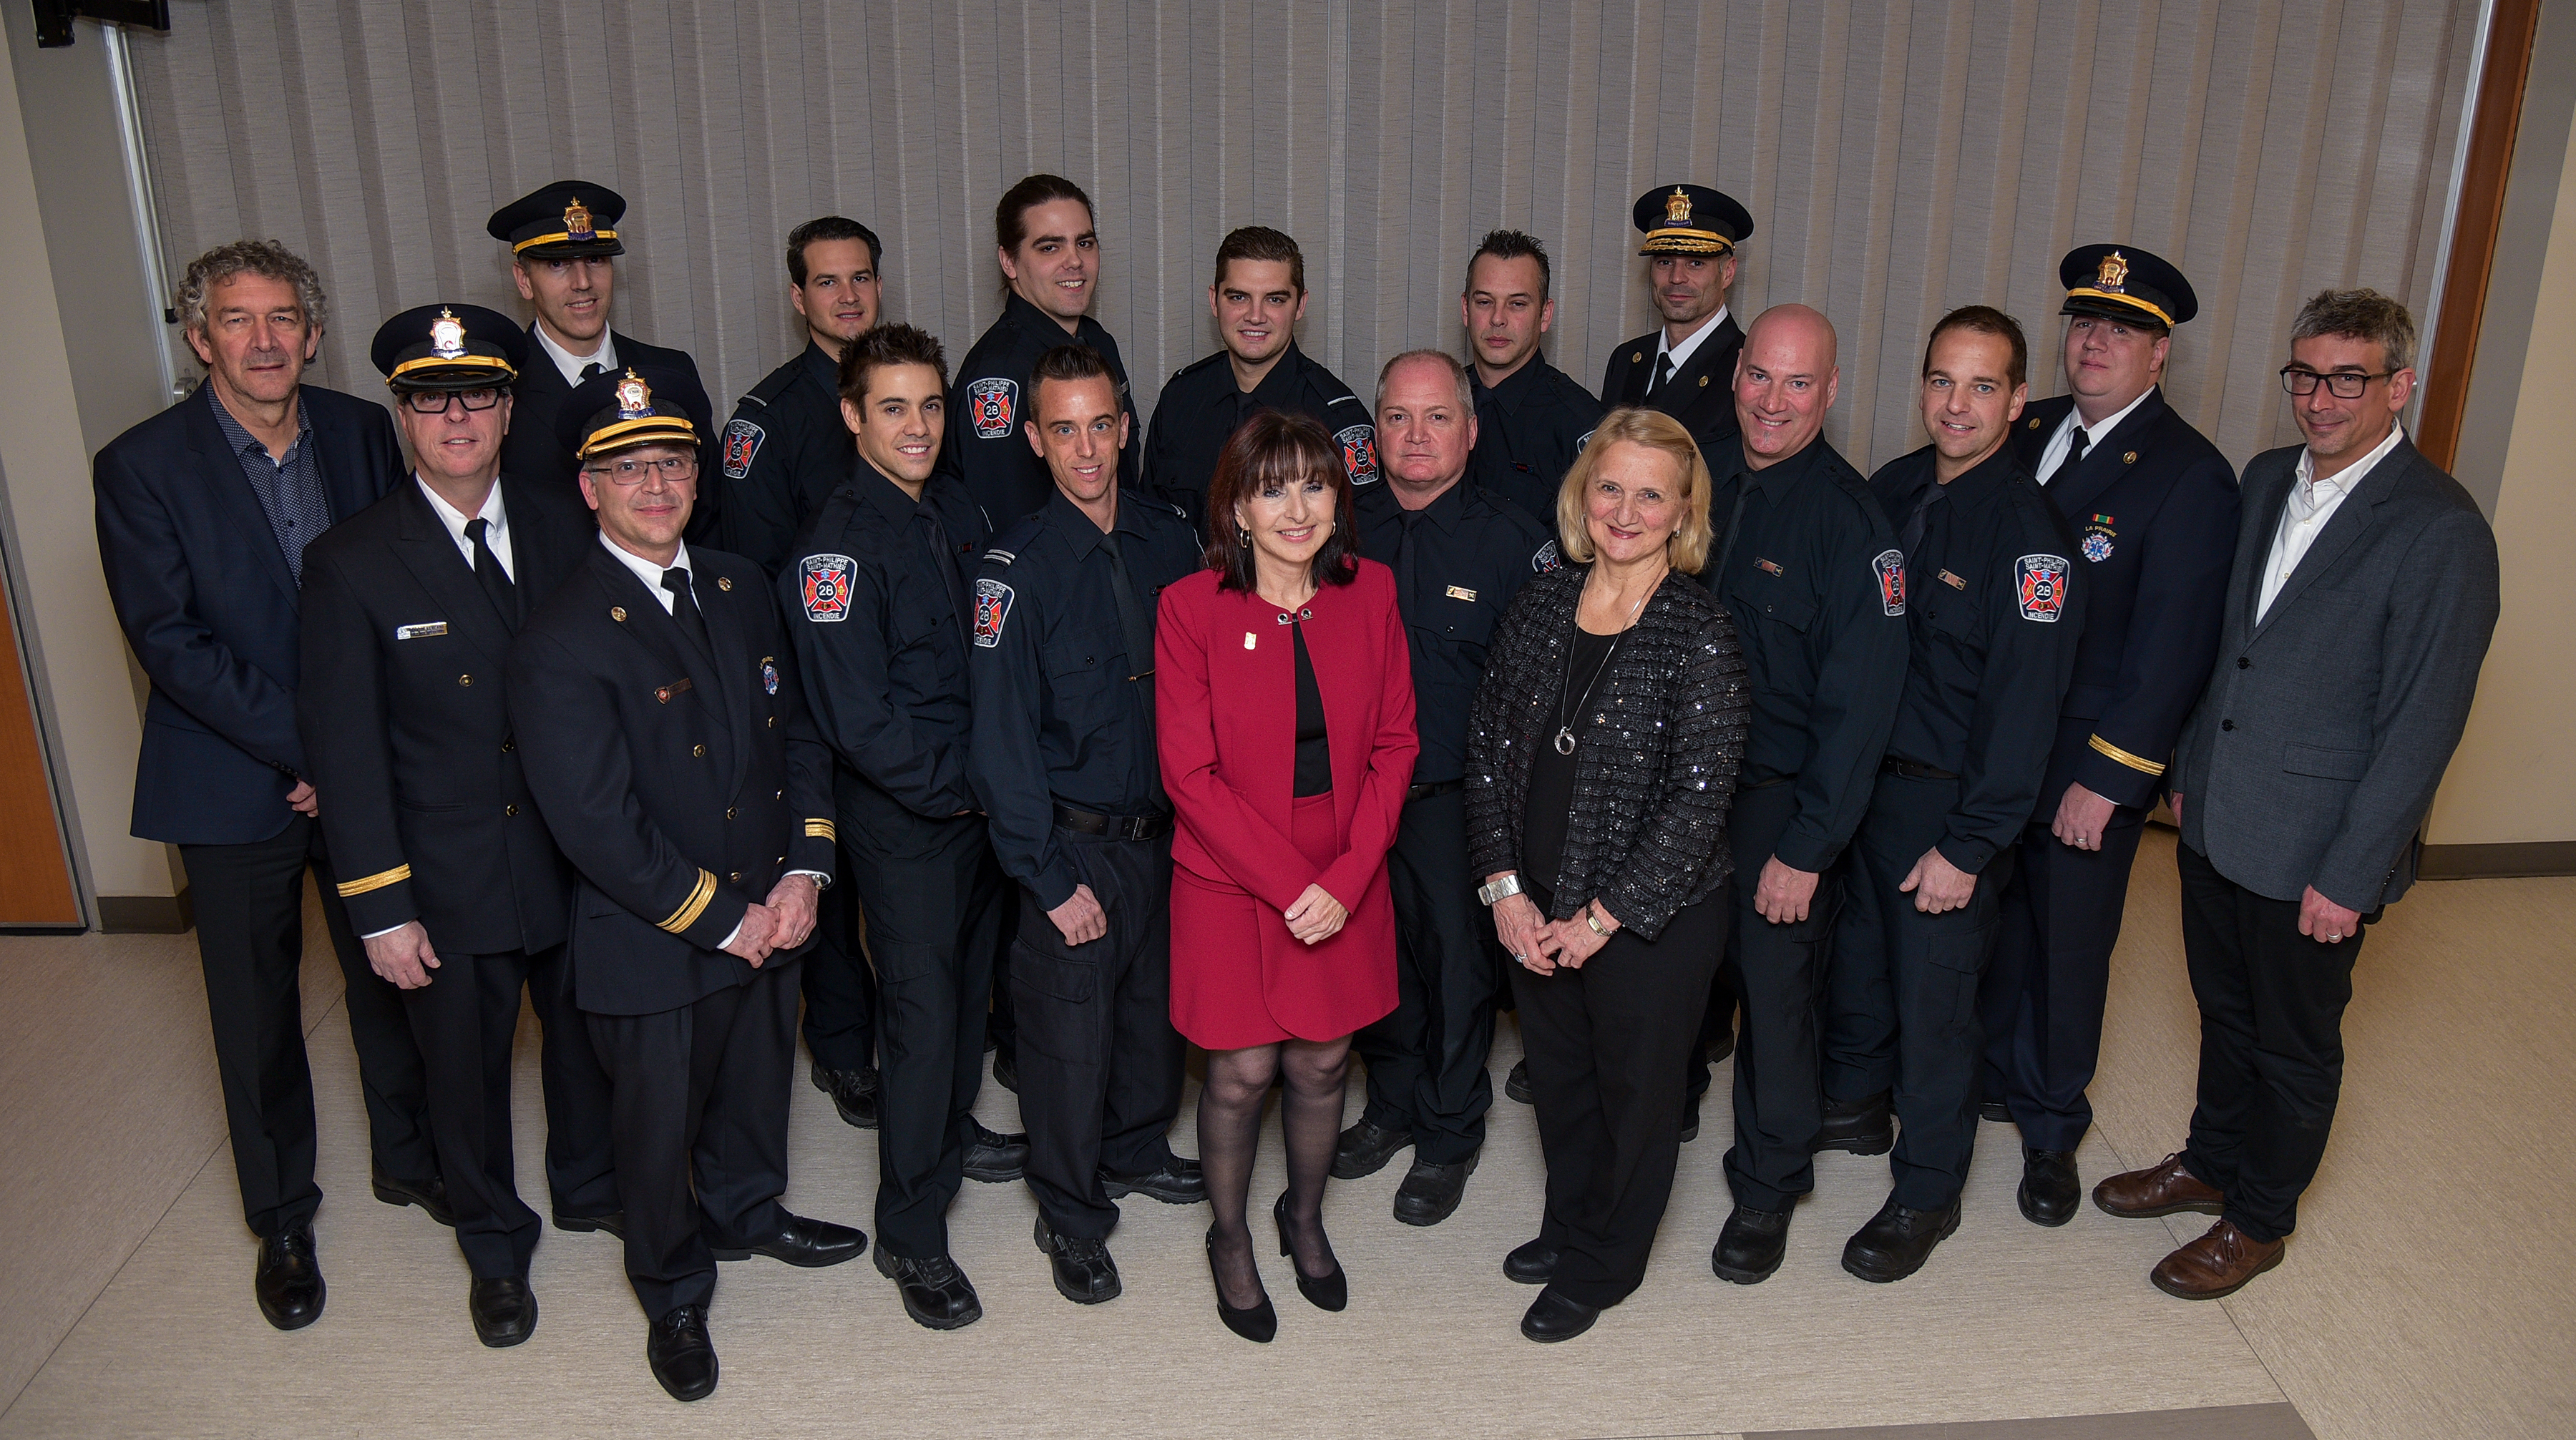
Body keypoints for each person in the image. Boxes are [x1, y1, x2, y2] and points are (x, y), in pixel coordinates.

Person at [2097, 290, 2498, 1301]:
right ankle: (2209, 1161)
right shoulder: (2270, 478)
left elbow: (2422, 722)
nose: (2320, 399)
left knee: (2295, 1042)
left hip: (2318, 847)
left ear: (2398, 386)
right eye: (2306, 375)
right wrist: (2188, 774)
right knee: (2223, 1013)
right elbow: (2230, 648)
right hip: (2220, 814)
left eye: (2348, 378)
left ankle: (2260, 1217)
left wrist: (2352, 873)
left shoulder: (2439, 529)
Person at [92, 240, 437, 1333]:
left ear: (314, 331)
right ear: (200, 340)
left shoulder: (361, 431)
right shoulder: (140, 465)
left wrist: (353, 751)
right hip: (233, 769)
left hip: (365, 764)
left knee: (396, 975)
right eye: (237, 321)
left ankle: (411, 1159)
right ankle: (282, 1215)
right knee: (255, 1008)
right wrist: (310, 749)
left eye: (283, 316)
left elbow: (406, 583)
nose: (264, 338)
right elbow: (170, 641)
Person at [507, 373, 863, 1402]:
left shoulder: (740, 583)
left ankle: (751, 1209)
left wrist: (805, 869)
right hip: (656, 932)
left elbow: (795, 731)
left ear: (696, 476)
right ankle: (669, 1284)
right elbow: (593, 822)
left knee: (756, 1086)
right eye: (627, 467)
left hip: (771, 905)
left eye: (670, 462)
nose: (654, 483)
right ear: (589, 489)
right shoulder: (561, 633)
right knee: (656, 1128)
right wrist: (723, 918)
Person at [295, 304, 618, 1348]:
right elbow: (345, 753)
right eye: (431, 398)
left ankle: (591, 1186)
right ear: (402, 413)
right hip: (448, 871)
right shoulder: (350, 561)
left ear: (510, 405)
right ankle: (492, 1244)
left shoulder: (571, 520)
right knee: (465, 1078)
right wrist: (381, 910)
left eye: (477, 393)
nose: (457, 417)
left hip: (572, 853)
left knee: (586, 1046)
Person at [1465, 405, 1748, 1343]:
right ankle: (1570, 1220)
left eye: (1650, 493)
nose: (1626, 509)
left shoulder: (1699, 631)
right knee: (1562, 1080)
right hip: (1534, 905)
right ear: (1584, 496)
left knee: (1635, 1095)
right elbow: (1491, 752)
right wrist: (1505, 890)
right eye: (1611, 485)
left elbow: (1697, 804)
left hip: (1646, 922)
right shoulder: (1543, 602)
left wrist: (1601, 917)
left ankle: (1605, 1262)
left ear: (1682, 511)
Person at [1976, 246, 2239, 1227]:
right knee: (1992, 921)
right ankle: (1991, 1078)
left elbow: (2173, 651)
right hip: (1997, 737)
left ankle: (2051, 1123)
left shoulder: (2189, 477)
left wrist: (2112, 777)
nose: (2095, 341)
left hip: (2085, 756)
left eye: (2121, 329)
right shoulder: (2030, 426)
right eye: (2085, 322)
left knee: (2068, 943)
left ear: (2160, 353)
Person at [781, 323, 1028, 1332]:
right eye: (894, 407)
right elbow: (860, 723)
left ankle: (950, 1129)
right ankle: (912, 1231)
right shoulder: (834, 551)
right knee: (921, 1022)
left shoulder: (958, 507)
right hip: (910, 821)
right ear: (852, 415)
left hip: (976, 808)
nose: (919, 425)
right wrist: (969, 789)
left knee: (970, 995)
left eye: (930, 405)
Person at [1830, 308, 2084, 1284]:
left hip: (1948, 812)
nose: (1958, 404)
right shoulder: (1893, 489)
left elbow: (2028, 709)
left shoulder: (2030, 539)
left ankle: (1928, 1190)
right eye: (1943, 380)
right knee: (1857, 971)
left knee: (1936, 1009)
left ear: (2019, 402)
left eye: (1984, 387)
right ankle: (1852, 1108)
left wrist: (1972, 845)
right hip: (1868, 793)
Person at [1157, 410, 1417, 1343]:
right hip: (1233, 873)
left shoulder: (1372, 592)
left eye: (1314, 483)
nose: (1297, 506)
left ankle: (1301, 1217)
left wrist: (1345, 880)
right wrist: (1287, 884)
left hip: (1345, 860)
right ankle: (1229, 1238)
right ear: (1236, 508)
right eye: (1272, 488)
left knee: (1320, 1060)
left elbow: (1397, 743)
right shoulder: (1190, 609)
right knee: (1239, 1072)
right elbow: (1190, 775)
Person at [967, 345, 1209, 1307]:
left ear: (1124, 427)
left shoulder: (1170, 540)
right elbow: (999, 742)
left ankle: (1138, 1147)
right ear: (1035, 438)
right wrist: (1046, 876)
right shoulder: (1013, 569)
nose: (1086, 448)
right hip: (1072, 846)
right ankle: (1069, 1210)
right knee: (1069, 1044)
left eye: (1100, 425)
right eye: (1062, 429)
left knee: (1151, 1021)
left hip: (1168, 838)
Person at [1694, 305, 1906, 1291]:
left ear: (1829, 392)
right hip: (1679, 791)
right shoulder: (1695, 477)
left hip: (1778, 804)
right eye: (1759, 378)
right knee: (1663, 982)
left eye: (1797, 383)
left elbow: (1859, 713)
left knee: (1776, 1005)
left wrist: (1809, 848)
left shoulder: (1852, 526)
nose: (1771, 402)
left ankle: (1770, 1182)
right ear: (1736, 377)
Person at [1336, 351, 1552, 1225]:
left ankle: (1451, 1130)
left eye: (1435, 417)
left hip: (1459, 804)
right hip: (1355, 802)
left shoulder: (1515, 543)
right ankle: (1392, 1104)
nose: (1415, 436)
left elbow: (1541, 698)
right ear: (1373, 433)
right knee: (1374, 968)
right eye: (1397, 417)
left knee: (1459, 975)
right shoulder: (1338, 531)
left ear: (1469, 429)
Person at [716, 215, 889, 1135]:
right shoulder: (767, 419)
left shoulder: (903, 396)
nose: (849, 297)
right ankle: (843, 1047)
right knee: (821, 872)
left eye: (861, 278)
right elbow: (749, 577)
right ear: (798, 297)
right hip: (807, 689)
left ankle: (900, 1030)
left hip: (891, 687)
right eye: (828, 282)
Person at [485, 181, 716, 534]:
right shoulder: (498, 391)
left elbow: (710, 511)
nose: (582, 282)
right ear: (524, 280)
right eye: (558, 263)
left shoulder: (669, 372)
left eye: (595, 260)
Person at [1141, 225, 1375, 529]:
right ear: (1214, 301)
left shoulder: (1337, 421)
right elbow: (1149, 526)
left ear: (1300, 305)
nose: (1255, 315)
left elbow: (1355, 549)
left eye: (1275, 300)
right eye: (1238, 297)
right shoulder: (1180, 399)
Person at [945, 173, 1143, 529]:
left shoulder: (1098, 343)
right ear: (1009, 262)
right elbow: (1009, 522)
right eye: (1050, 247)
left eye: (1084, 243)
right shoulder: (1000, 374)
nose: (1075, 261)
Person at [1598, 185, 1753, 467]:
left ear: (1728, 272)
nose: (1676, 278)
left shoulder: (1748, 371)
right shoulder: (1627, 359)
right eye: (1665, 261)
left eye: (1695, 263)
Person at [1460, 230, 1604, 526]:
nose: (1498, 319)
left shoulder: (1579, 423)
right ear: (1465, 308)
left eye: (1517, 304)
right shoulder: (1437, 403)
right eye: (1485, 302)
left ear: (1545, 315)